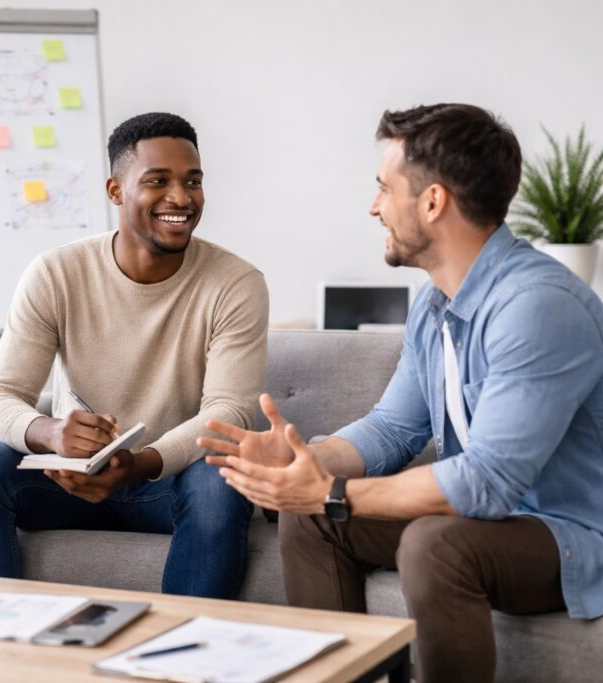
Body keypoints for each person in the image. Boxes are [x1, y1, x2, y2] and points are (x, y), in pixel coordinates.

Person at [199, 103, 603, 682]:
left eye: (384, 189)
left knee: (434, 544)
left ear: (433, 201)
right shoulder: (435, 306)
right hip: (488, 524)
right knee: (310, 518)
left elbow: (485, 484)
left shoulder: (537, 306)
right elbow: (392, 427)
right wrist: (305, 461)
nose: (373, 207)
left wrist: (333, 490)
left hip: (571, 534)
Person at [0, 112, 268, 599]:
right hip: (69, 481)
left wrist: (138, 464)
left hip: (167, 481)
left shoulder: (236, 283)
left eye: (192, 181)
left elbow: (230, 411)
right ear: (116, 191)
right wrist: (49, 432)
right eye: (158, 181)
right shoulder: (56, 273)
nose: (181, 198)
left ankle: (186, 657)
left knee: (218, 479)